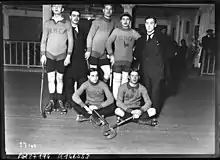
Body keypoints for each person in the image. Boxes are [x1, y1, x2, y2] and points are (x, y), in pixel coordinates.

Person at [133, 16, 175, 120]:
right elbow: (137, 54)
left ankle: (154, 113)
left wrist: (162, 63)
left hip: (158, 70)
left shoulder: (163, 38)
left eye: (151, 23)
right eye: (147, 23)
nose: (149, 25)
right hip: (145, 70)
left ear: (155, 25)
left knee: (156, 92)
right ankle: (147, 111)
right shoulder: (141, 39)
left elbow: (171, 52)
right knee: (146, 91)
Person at [40, 4, 73, 114]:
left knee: (59, 79)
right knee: (50, 79)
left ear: (62, 9)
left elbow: (71, 41)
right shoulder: (47, 23)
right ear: (52, 8)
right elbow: (44, 39)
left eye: (59, 6)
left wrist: (68, 55)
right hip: (49, 54)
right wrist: (43, 54)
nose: (56, 8)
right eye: (54, 6)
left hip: (61, 55)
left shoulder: (67, 23)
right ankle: (51, 101)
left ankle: (59, 101)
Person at [106, 12, 141, 99]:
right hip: (117, 60)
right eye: (123, 19)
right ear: (121, 21)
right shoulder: (116, 31)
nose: (125, 21)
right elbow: (108, 43)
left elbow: (142, 42)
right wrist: (111, 55)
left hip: (128, 61)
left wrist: (135, 51)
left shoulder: (133, 32)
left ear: (130, 21)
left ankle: (122, 100)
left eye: (127, 19)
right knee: (116, 80)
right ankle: (115, 100)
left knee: (125, 81)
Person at [85, 4, 115, 85]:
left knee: (108, 73)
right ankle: (92, 94)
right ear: (103, 10)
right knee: (93, 76)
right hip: (94, 52)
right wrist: (88, 50)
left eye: (110, 9)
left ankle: (102, 89)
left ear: (112, 11)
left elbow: (110, 40)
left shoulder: (112, 23)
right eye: (106, 8)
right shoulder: (96, 22)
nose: (108, 10)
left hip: (103, 53)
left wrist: (110, 53)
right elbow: (89, 36)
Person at [64, 9, 88, 109]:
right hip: (69, 60)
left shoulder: (82, 31)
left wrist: (88, 51)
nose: (76, 18)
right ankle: (69, 102)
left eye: (78, 16)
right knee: (69, 83)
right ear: (70, 17)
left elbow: (86, 44)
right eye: (74, 15)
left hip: (80, 60)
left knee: (82, 82)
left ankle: (80, 102)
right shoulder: (65, 30)